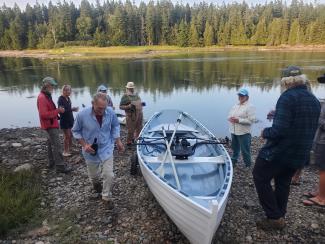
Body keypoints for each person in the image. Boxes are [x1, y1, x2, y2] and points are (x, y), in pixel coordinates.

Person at [253, 66, 321, 230]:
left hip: (281, 152)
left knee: (260, 176)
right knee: (283, 182)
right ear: (302, 79)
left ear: (284, 81)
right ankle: (280, 214)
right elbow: (299, 121)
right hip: (299, 153)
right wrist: (278, 114)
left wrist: (265, 132)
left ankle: (274, 216)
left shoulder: (287, 97)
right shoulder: (314, 100)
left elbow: (279, 131)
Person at [72, 93, 124, 207]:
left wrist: (118, 141)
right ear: (92, 104)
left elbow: (115, 125)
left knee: (109, 174)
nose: (102, 111)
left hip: (106, 147)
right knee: (94, 176)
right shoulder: (82, 115)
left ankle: (106, 197)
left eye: (104, 108)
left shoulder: (110, 112)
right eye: (99, 108)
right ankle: (96, 184)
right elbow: (75, 131)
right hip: (90, 150)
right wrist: (84, 144)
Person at [37, 77, 71, 173]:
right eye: (52, 85)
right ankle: (60, 166)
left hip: (50, 124)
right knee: (57, 145)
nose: (53, 87)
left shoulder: (46, 95)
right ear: (46, 85)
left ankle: (51, 163)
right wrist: (58, 111)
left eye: (53, 85)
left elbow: (48, 111)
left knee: (50, 144)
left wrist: (56, 111)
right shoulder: (42, 97)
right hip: (50, 125)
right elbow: (43, 114)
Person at [303, 73, 325, 207]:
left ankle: (321, 198)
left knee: (323, 168)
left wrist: (319, 120)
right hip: (321, 138)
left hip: (324, 140)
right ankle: (320, 192)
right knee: (321, 168)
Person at [227, 88, 256, 168]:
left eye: (242, 95)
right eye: (239, 95)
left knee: (245, 150)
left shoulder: (250, 107)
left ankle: (248, 164)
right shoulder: (235, 105)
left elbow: (251, 121)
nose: (240, 97)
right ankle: (234, 161)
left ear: (247, 97)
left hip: (244, 132)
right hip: (233, 131)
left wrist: (239, 120)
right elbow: (229, 115)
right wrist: (230, 118)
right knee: (234, 148)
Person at [119, 81, 143, 146]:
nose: (131, 89)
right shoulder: (125, 96)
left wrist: (142, 104)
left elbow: (139, 103)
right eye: (130, 88)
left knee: (139, 128)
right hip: (131, 116)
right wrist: (128, 106)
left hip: (139, 114)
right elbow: (120, 107)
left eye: (132, 88)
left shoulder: (136, 95)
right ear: (127, 88)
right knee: (131, 130)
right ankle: (129, 142)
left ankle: (136, 139)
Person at [58, 85, 78, 157]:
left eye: (69, 90)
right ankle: (65, 151)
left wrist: (73, 110)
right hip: (64, 120)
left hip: (70, 119)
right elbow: (61, 111)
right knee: (67, 136)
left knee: (71, 135)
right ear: (63, 91)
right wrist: (72, 109)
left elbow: (68, 110)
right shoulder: (60, 99)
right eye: (66, 90)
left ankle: (70, 148)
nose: (68, 91)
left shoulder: (68, 98)